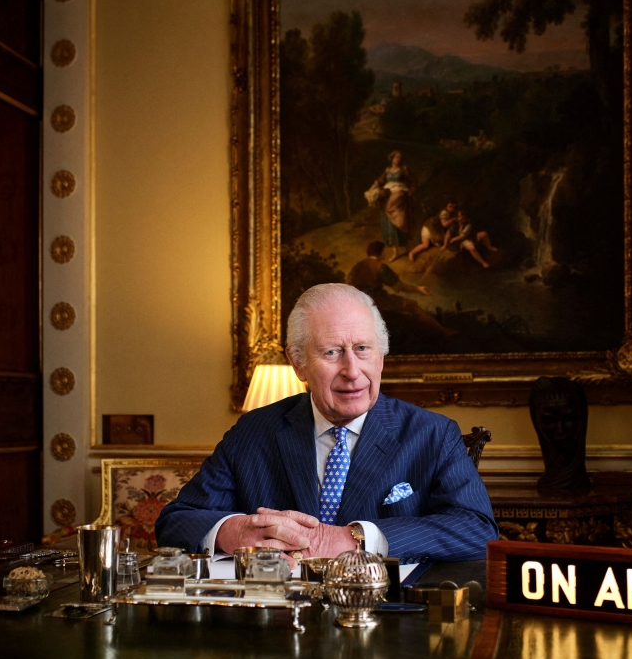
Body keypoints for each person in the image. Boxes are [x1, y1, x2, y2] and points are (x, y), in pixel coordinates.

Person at [154, 283, 497, 562]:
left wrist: (355, 538)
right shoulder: (253, 432)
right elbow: (176, 521)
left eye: (363, 348)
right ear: (298, 363)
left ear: (381, 357)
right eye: (331, 352)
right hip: (280, 624)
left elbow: (477, 529)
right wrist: (236, 531)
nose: (352, 371)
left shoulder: (433, 434)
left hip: (386, 620)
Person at [346, 241, 457, 337]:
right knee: (412, 305)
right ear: (381, 252)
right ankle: (443, 331)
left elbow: (348, 283)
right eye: (384, 251)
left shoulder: (358, 265)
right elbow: (399, 287)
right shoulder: (381, 267)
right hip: (377, 300)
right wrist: (418, 289)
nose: (385, 253)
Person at [365, 151, 413, 263]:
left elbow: (413, 182)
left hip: (399, 198)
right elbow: (380, 181)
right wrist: (371, 189)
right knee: (390, 224)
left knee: (401, 222)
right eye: (396, 157)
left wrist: (409, 192)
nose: (398, 159)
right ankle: (395, 252)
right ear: (391, 159)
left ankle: (407, 247)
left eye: (400, 157)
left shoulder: (404, 169)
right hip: (387, 196)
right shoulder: (387, 171)